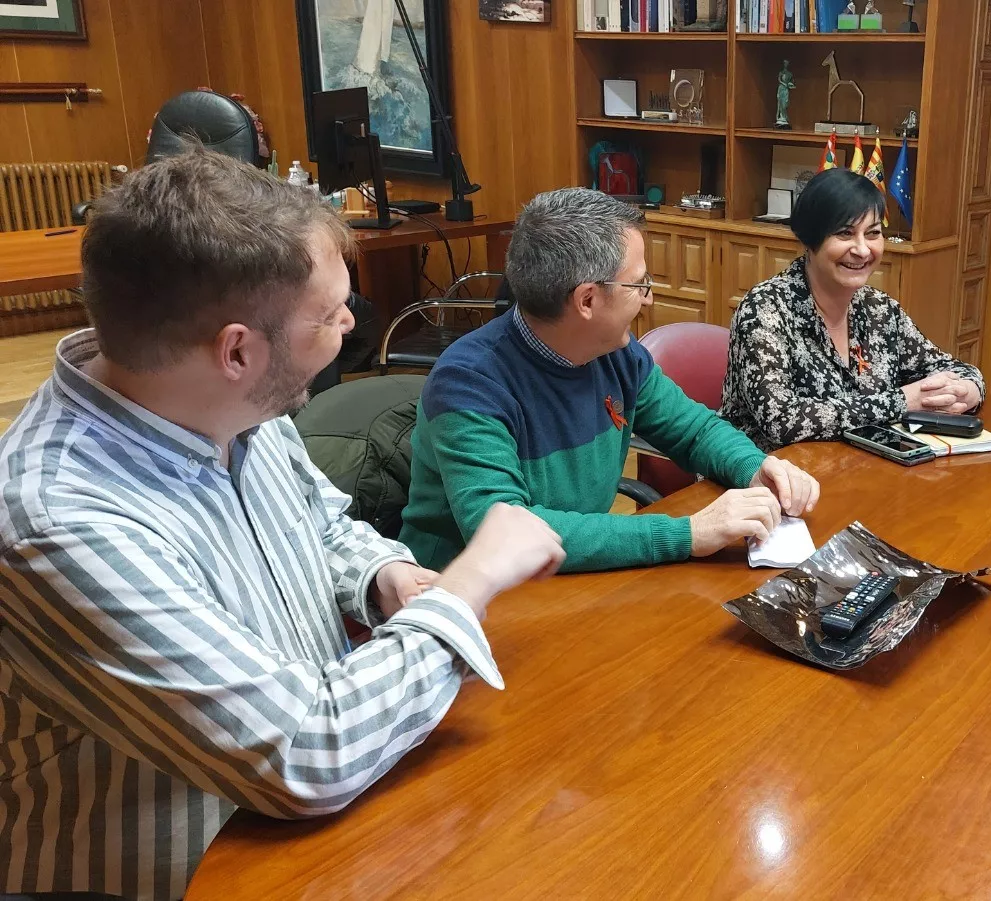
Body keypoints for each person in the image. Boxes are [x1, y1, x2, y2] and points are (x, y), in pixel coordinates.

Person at [0, 146, 566, 901]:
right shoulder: (57, 521)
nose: (349, 323)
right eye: (331, 316)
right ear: (238, 349)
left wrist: (383, 574)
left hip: (318, 836)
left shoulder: (228, 403)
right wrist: (470, 581)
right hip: (175, 875)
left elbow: (323, 522)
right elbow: (307, 751)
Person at [400, 187, 820, 574]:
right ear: (587, 300)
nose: (649, 298)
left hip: (570, 581)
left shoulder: (616, 354)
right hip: (466, 599)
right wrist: (686, 534)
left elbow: (694, 431)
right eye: (639, 284)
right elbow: (505, 532)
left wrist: (756, 468)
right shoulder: (468, 383)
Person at [720, 168, 985, 452]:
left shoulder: (880, 310)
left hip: (860, 470)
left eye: (873, 234)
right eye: (845, 234)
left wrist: (969, 390)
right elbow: (782, 420)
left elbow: (950, 368)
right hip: (765, 478)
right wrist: (901, 401)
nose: (862, 250)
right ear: (810, 240)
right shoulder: (765, 310)